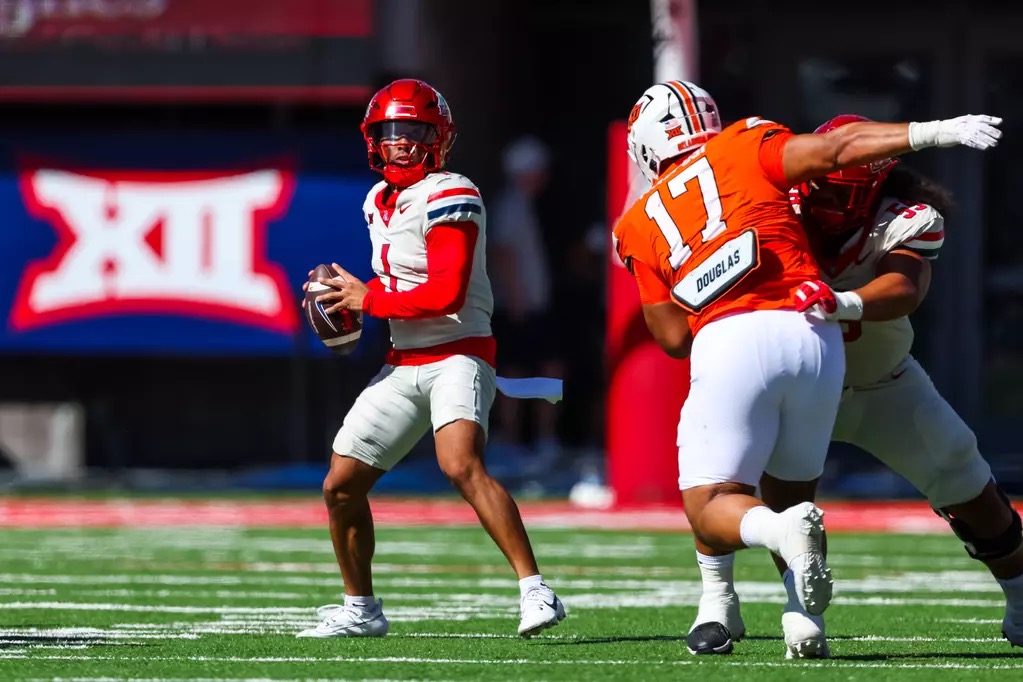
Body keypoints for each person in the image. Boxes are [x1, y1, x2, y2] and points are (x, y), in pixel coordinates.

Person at [612, 81, 1002, 657]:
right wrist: (934, 132)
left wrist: (710, 292)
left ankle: (761, 563)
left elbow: (671, 335)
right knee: (779, 490)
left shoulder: (643, 218)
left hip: (822, 362)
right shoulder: (750, 147)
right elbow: (836, 151)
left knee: (714, 490)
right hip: (814, 344)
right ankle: (788, 619)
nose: (829, 202)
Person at [296, 78, 566, 639]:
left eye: (414, 131)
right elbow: (400, 280)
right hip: (404, 361)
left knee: (459, 464)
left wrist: (366, 300)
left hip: (458, 354)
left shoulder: (452, 193)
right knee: (340, 486)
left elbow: (444, 292)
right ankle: (360, 610)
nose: (400, 143)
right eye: (390, 132)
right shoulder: (377, 201)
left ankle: (535, 589)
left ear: (438, 138)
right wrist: (353, 291)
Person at [753, 113, 1022, 658]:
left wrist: (845, 302)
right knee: (781, 504)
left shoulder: (910, 218)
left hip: (882, 384)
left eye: (838, 188)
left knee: (962, 472)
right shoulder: (770, 202)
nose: (823, 197)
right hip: (797, 387)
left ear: (871, 184)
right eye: (819, 183)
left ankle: (1020, 594)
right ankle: (792, 607)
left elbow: (904, 287)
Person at [488, 136, 564, 470]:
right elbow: (503, 253)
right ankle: (515, 441)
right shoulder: (511, 206)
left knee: (545, 369)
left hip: (532, 304)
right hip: (521, 306)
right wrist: (516, 296)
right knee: (518, 372)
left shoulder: (524, 205)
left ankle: (538, 440)